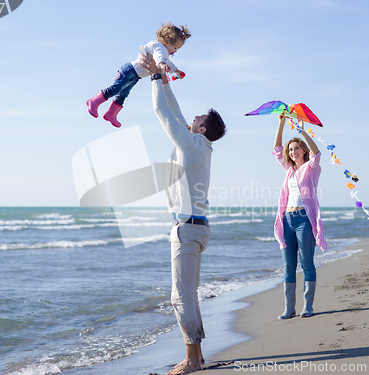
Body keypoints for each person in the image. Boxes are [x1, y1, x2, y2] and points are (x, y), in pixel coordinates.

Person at [139, 53, 226, 375]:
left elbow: (164, 115)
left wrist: (153, 79)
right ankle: (197, 355)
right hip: (194, 227)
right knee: (186, 294)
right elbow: (175, 112)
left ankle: (192, 359)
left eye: (196, 119)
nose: (190, 119)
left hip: (188, 229)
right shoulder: (199, 146)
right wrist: (162, 79)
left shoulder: (192, 144)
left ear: (200, 129)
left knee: (181, 296)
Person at [273, 112, 327, 319]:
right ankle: (289, 308)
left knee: (307, 263)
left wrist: (302, 130)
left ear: (303, 150)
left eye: (296, 148)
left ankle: (308, 306)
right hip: (286, 219)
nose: (292, 151)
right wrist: (281, 124)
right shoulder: (289, 170)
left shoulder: (312, 169)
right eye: (291, 149)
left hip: (304, 219)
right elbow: (277, 150)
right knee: (288, 266)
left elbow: (317, 153)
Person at [86, 22, 191, 128]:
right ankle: (94, 102)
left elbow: (168, 62)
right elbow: (159, 57)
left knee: (123, 94)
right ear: (167, 41)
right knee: (115, 89)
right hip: (129, 71)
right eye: (175, 47)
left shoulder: (164, 52)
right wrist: (162, 64)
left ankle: (111, 114)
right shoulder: (159, 47)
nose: (175, 51)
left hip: (135, 76)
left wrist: (176, 71)